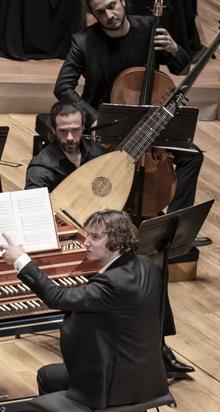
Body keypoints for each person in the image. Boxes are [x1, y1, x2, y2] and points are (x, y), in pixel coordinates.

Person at [0, 209, 169, 412]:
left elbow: (56, 297)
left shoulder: (110, 283)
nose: (86, 242)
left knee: (50, 376)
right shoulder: (149, 267)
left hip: (117, 384)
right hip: (148, 376)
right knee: (92, 361)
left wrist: (21, 260)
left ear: (117, 241)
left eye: (95, 237)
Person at [27, 100, 193, 376]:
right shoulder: (41, 168)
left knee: (151, 272)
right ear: (52, 131)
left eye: (75, 130)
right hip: (66, 246)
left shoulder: (94, 153)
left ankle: (158, 348)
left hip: (102, 244)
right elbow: (35, 216)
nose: (70, 138)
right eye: (63, 131)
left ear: (84, 129)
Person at [54, 0, 204, 213]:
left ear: (123, 2)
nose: (109, 15)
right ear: (93, 15)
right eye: (101, 12)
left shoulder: (149, 29)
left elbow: (182, 69)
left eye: (112, 5)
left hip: (149, 124)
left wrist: (174, 48)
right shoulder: (84, 41)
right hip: (107, 130)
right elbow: (62, 87)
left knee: (192, 156)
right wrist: (93, 117)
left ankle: (172, 225)